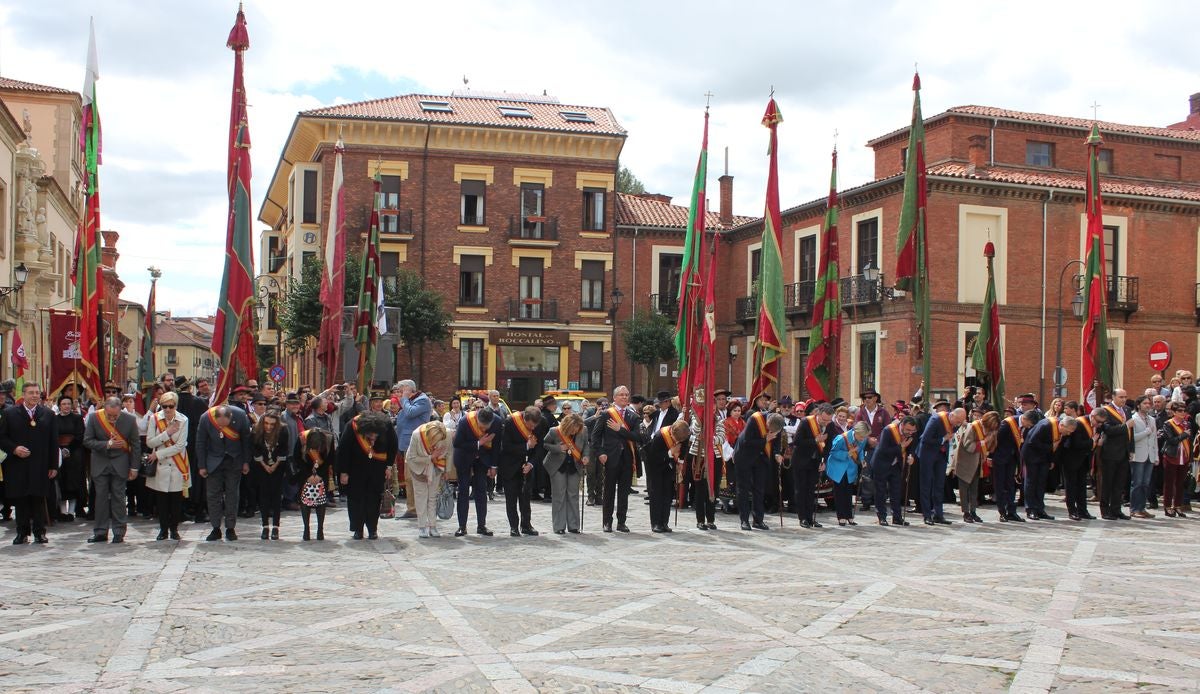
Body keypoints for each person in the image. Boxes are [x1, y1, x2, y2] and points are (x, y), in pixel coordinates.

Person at [82, 396, 141, 544]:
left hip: (120, 463)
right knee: (100, 498)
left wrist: (134, 467)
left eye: (116, 415)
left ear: (121, 409)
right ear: (105, 410)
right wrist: (107, 444)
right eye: (109, 416)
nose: (112, 419)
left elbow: (135, 444)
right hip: (100, 463)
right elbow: (87, 441)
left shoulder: (129, 420)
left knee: (119, 498)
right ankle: (100, 532)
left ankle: (119, 531)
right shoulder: (95, 418)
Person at [590, 386, 643, 533]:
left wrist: (620, 429)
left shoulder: (633, 416)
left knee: (624, 492)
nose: (625, 397)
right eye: (621, 395)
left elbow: (638, 437)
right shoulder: (607, 414)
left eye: (627, 395)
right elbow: (595, 436)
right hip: (610, 458)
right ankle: (607, 522)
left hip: (627, 459)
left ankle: (622, 522)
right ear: (614, 398)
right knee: (609, 492)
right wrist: (600, 453)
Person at [196, 404, 253, 541]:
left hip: (234, 460)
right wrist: (202, 465)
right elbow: (200, 442)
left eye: (224, 424)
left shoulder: (240, 416)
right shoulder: (206, 418)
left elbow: (246, 441)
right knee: (213, 495)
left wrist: (246, 462)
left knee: (232, 494)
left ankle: (230, 527)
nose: (221, 428)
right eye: (219, 424)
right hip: (214, 460)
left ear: (231, 417)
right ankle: (215, 527)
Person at [339, 411, 397, 540]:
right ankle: (357, 529)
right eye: (370, 435)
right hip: (356, 469)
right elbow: (343, 449)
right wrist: (343, 471)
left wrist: (389, 466)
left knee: (374, 499)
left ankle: (372, 529)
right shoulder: (353, 425)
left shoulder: (386, 424)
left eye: (376, 435)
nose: (373, 438)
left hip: (378, 468)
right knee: (355, 499)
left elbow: (393, 446)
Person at [144, 391, 190, 541]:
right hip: (161, 467)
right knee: (162, 501)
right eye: (164, 406)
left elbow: (180, 446)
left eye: (171, 406)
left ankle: (174, 529)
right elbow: (150, 442)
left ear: (176, 405)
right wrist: (167, 433)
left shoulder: (183, 420)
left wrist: (157, 454)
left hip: (177, 464)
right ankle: (163, 530)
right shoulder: (154, 419)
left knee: (176, 500)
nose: (168, 409)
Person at [733, 410, 785, 531]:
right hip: (745, 455)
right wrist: (765, 439)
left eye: (774, 431)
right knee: (743, 489)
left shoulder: (779, 422)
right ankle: (744, 520)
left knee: (759, 489)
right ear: (767, 422)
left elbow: (776, 441)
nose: (771, 432)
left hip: (761, 458)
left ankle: (758, 520)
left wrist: (777, 454)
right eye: (769, 429)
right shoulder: (754, 419)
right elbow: (747, 441)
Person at [452, 405, 500, 536]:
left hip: (482, 459)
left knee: (481, 490)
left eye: (486, 427)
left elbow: (496, 445)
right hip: (464, 457)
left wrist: (494, 466)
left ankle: (481, 525)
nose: (483, 429)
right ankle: (462, 526)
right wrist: (479, 443)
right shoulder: (465, 422)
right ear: (477, 419)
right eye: (481, 426)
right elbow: (457, 443)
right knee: (463, 491)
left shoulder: (497, 421)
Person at [917, 406, 966, 525]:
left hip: (941, 455)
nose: (958, 424)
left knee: (939, 485)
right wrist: (943, 439)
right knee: (926, 485)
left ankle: (938, 514)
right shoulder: (936, 419)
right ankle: (927, 515)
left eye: (960, 422)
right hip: (928, 454)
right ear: (952, 415)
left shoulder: (957, 422)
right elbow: (925, 439)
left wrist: (946, 440)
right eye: (958, 421)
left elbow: (952, 433)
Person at [498, 407, 542, 537]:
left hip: (527, 467)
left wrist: (531, 463)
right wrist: (527, 446)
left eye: (535, 426)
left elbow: (539, 448)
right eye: (530, 425)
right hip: (510, 466)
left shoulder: (539, 423)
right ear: (525, 419)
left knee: (526, 498)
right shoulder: (511, 422)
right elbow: (505, 446)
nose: (532, 428)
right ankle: (514, 527)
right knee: (511, 499)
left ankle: (526, 525)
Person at [542, 412, 588, 534]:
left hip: (575, 466)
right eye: (572, 430)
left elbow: (586, 445)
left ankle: (573, 526)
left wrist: (585, 456)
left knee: (573, 495)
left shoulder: (583, 430)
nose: (575, 432)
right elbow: (545, 444)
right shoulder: (554, 431)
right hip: (557, 466)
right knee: (559, 496)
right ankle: (559, 526)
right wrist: (558, 448)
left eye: (577, 430)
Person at [1022, 414, 1074, 520]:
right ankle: (1030, 509)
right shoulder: (1045, 425)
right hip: (1032, 456)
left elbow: (1058, 446)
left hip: (1045, 457)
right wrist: (1050, 447)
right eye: (1068, 431)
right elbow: (1033, 441)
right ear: (1062, 425)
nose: (1068, 434)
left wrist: (1052, 460)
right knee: (1031, 482)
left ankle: (1040, 509)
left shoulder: (1063, 430)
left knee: (1041, 483)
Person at [394, 380, 432, 520]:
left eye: (402, 389)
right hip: (407, 443)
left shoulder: (422, 400)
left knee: (415, 477)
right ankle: (412, 507)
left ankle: (417, 508)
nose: (400, 392)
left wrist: (403, 398)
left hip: (416, 444)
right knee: (409, 478)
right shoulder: (411, 400)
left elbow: (410, 413)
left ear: (409, 388)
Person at [643, 418, 689, 533]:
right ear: (672, 432)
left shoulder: (685, 434)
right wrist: (670, 452)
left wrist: (681, 463)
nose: (678, 441)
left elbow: (683, 448)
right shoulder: (660, 436)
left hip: (670, 465)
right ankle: (656, 523)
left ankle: (664, 522)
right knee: (657, 494)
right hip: (655, 466)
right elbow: (652, 455)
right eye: (675, 438)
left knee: (667, 494)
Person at [406, 420, 449, 539]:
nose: (436, 443)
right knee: (421, 498)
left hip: (436, 467)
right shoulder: (416, 435)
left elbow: (447, 452)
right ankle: (422, 527)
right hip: (418, 468)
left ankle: (433, 526)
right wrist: (431, 457)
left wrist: (446, 470)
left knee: (432, 497)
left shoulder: (446, 434)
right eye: (434, 440)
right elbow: (412, 457)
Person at [954, 411, 999, 523]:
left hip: (978, 462)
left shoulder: (988, 430)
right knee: (964, 489)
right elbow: (968, 445)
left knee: (975, 489)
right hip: (965, 462)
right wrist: (984, 442)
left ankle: (973, 511)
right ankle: (966, 512)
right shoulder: (973, 427)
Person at [250, 412, 289, 540]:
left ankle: (276, 527)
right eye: (266, 423)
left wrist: (275, 465)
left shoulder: (283, 430)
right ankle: (265, 526)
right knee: (263, 496)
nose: (269, 427)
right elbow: (255, 449)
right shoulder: (256, 431)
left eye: (272, 424)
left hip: (278, 467)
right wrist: (265, 465)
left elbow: (284, 449)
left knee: (276, 496)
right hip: (261, 467)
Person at [871, 416, 917, 526]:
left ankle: (897, 517)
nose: (910, 433)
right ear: (902, 425)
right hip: (882, 463)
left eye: (912, 430)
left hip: (896, 465)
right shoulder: (889, 430)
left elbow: (911, 446)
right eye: (908, 430)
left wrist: (912, 456)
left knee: (896, 492)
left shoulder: (911, 432)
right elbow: (884, 449)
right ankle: (882, 516)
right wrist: (900, 446)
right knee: (881, 492)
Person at [791, 404, 831, 528]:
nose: (826, 422)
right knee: (801, 490)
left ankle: (810, 517)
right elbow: (797, 441)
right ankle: (802, 518)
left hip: (815, 461)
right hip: (801, 461)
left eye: (828, 420)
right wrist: (815, 440)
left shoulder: (830, 425)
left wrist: (824, 461)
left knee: (811, 491)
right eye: (824, 419)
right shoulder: (805, 422)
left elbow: (828, 445)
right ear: (818, 414)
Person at [1059, 409, 1103, 521]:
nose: (1099, 424)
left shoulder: (1096, 425)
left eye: (1101, 422)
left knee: (1081, 486)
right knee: (1071, 486)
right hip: (1071, 459)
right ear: (1092, 416)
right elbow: (1076, 443)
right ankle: (1072, 511)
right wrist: (1092, 442)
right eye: (1098, 421)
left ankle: (1083, 511)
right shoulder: (1079, 423)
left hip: (1084, 460)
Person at [1097, 389, 1132, 521]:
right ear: (1113, 397)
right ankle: (1105, 510)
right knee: (1107, 483)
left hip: (1123, 452)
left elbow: (1130, 433)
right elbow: (1108, 430)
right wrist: (1125, 426)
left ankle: (1116, 510)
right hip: (1110, 452)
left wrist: (1131, 449)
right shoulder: (1106, 411)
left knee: (1119, 484)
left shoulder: (1127, 410)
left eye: (1125, 397)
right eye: (1121, 397)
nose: (1123, 399)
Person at [294, 428, 335, 540]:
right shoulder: (301, 438)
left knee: (321, 501)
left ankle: (320, 530)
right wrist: (309, 475)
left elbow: (330, 459)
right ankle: (306, 529)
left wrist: (319, 475)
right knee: (305, 501)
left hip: (322, 473)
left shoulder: (329, 439)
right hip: (305, 473)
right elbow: (297, 458)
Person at [827, 421, 869, 526]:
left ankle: (849, 516)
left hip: (851, 468)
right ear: (856, 432)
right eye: (861, 437)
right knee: (840, 492)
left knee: (848, 492)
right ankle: (841, 516)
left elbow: (860, 451)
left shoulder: (863, 439)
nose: (863, 439)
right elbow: (833, 452)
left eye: (864, 437)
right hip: (838, 467)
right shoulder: (842, 438)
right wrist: (847, 453)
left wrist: (862, 459)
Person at [54, 395, 87, 521]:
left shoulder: (77, 418)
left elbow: (80, 435)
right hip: (58, 453)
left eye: (68, 403)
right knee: (62, 482)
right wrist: (60, 449)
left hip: (74, 454)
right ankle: (62, 512)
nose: (66, 406)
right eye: (64, 404)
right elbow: (53, 436)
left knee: (73, 482)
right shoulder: (54, 419)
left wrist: (69, 449)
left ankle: (71, 511)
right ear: (59, 405)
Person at [1159, 402, 1192, 518]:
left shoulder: (1187, 423)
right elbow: (1171, 440)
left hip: (1185, 456)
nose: (1183, 413)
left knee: (1180, 483)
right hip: (1171, 456)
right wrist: (1183, 435)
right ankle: (1167, 506)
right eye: (1179, 411)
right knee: (1169, 483)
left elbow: (1190, 441)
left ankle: (1178, 505)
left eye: (1184, 411)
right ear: (1173, 412)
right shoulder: (1168, 424)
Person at [1129, 395, 1158, 519]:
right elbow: (1131, 438)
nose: (1147, 405)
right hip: (1138, 455)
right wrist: (1146, 432)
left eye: (1148, 403)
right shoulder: (1133, 418)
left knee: (1146, 483)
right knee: (1137, 483)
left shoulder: (1152, 419)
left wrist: (1156, 455)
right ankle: (1134, 509)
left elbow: (1155, 438)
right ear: (1138, 405)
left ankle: (1142, 507)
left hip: (1150, 455)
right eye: (1145, 403)